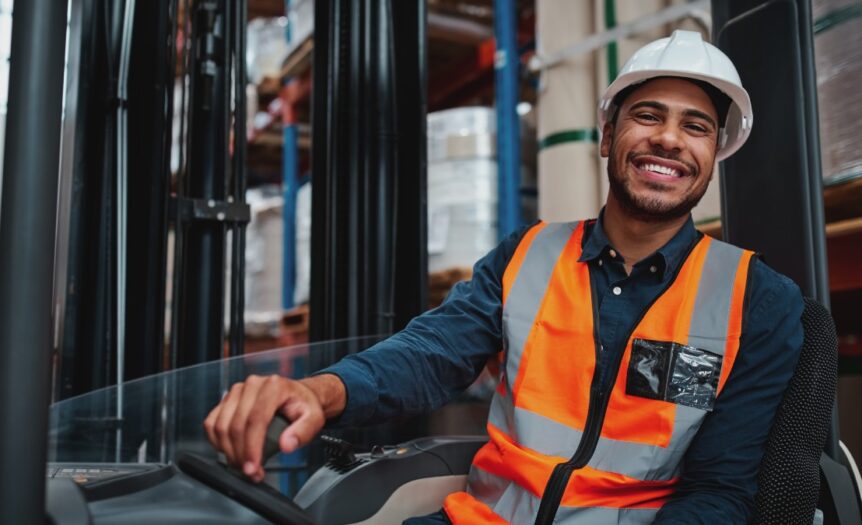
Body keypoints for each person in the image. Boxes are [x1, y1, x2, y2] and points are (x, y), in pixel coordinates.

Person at [204, 31, 803, 524]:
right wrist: (317, 391)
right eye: (647, 116)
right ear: (606, 135)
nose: (669, 139)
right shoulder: (530, 254)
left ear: (714, 154)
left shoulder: (757, 300)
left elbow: (720, 494)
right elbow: (430, 354)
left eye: (696, 126)